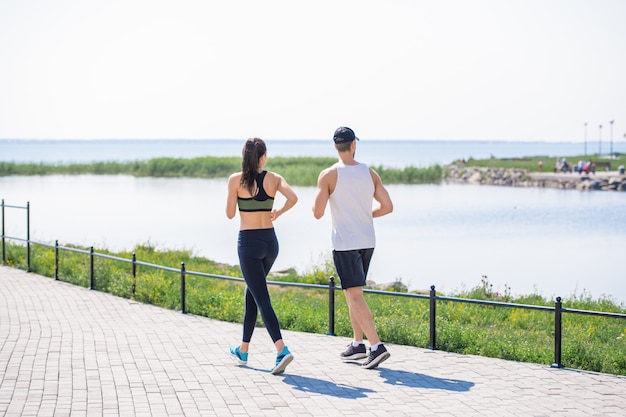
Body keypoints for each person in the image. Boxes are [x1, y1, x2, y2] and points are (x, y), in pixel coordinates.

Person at [312, 126, 394, 369]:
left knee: (354, 294)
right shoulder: (370, 174)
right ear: (353, 145)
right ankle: (358, 344)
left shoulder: (328, 175)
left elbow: (317, 213)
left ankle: (376, 346)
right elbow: (388, 206)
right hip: (367, 241)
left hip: (346, 243)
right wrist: (365, 215)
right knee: (352, 292)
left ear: (335, 146)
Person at [226, 137, 298, 375]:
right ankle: (243, 349)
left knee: (262, 297)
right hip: (270, 242)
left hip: (248, 244)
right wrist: (277, 211)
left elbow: (228, 214)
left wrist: (238, 197)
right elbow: (294, 198)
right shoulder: (274, 178)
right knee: (253, 292)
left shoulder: (235, 180)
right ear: (264, 156)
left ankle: (282, 350)